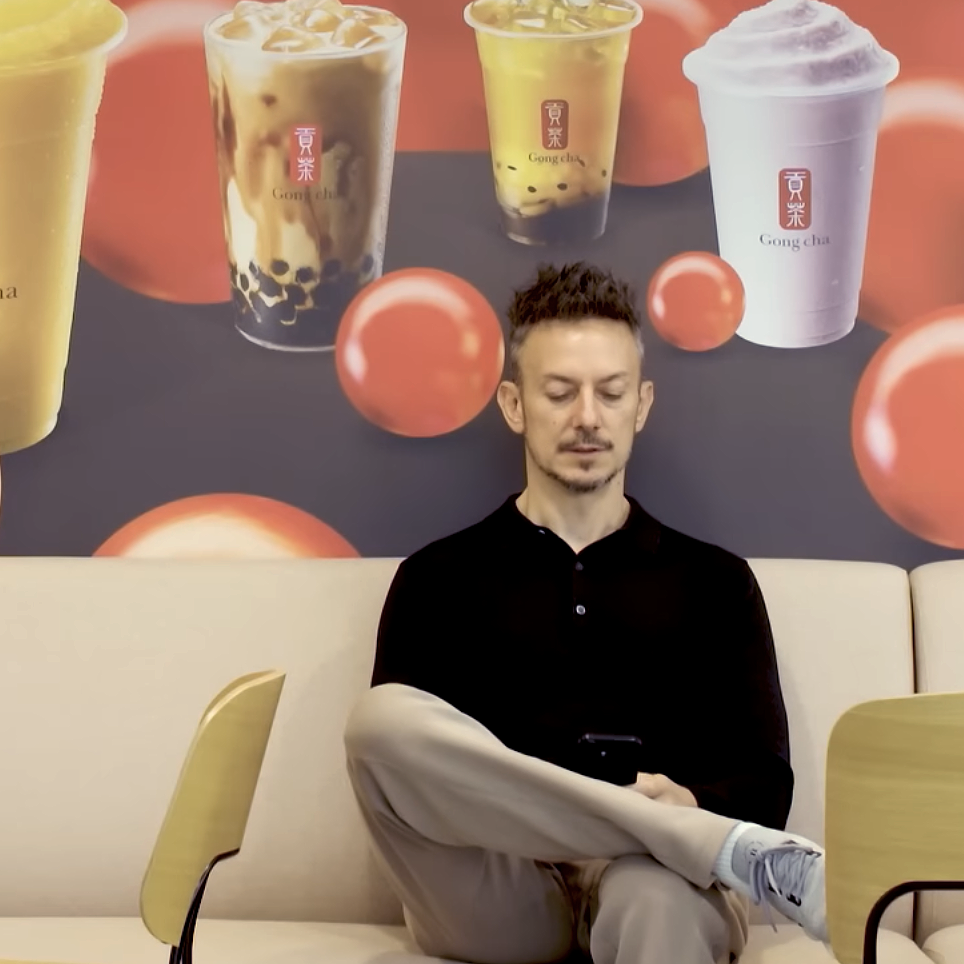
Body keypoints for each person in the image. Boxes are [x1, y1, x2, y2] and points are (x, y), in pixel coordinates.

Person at [343, 262, 827, 964]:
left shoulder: (717, 581)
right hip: (495, 886)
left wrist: (689, 807)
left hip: (655, 875)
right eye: (560, 393)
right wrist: (654, 822)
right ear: (514, 405)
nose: (588, 418)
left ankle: (683, 840)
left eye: (611, 392)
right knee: (378, 722)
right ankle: (702, 844)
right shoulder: (435, 578)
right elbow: (407, 778)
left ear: (642, 405)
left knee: (658, 900)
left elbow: (764, 781)